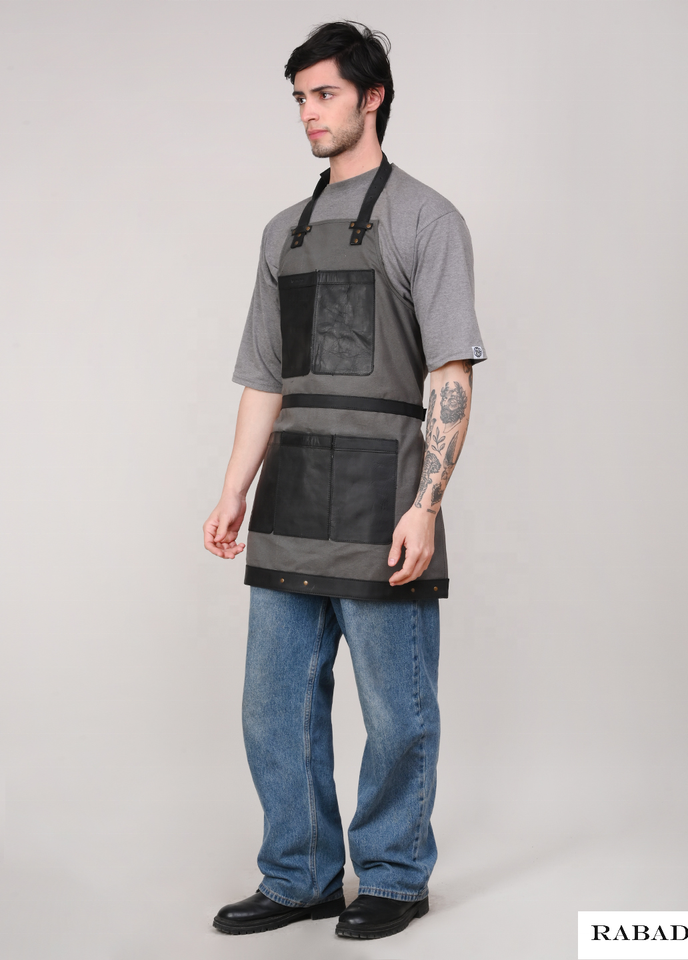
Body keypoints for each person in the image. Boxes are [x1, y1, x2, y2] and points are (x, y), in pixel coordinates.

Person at [202, 21, 486, 941]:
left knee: (397, 712)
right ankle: (301, 877)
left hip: (384, 498)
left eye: (323, 94)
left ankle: (395, 876)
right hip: (288, 497)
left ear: (372, 97)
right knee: (272, 709)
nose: (308, 114)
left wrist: (427, 505)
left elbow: (450, 373)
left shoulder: (428, 219)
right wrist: (233, 488)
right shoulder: (280, 232)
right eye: (299, 98)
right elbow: (264, 376)